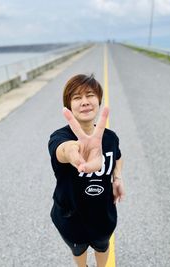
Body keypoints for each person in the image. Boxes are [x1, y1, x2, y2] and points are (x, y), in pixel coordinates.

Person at [48, 74, 125, 267]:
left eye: (89, 95)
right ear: (69, 106)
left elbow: (118, 156)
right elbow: (62, 150)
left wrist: (117, 178)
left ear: (98, 100)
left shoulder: (110, 137)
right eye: (76, 97)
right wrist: (74, 153)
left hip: (102, 214)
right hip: (70, 217)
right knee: (78, 249)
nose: (84, 102)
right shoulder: (60, 137)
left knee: (102, 246)